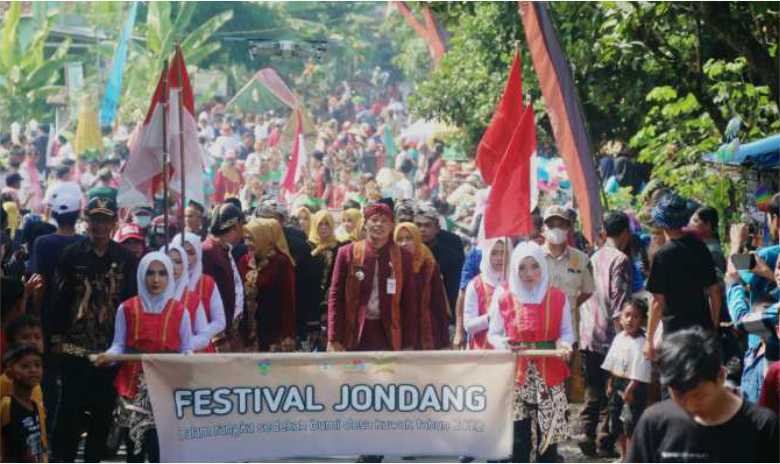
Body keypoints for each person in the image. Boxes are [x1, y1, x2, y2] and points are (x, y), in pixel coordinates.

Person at [50, 196, 137, 462]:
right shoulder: (71, 255)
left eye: (104, 220)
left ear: (113, 223)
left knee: (102, 413)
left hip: (111, 350)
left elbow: (131, 302)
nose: (98, 226)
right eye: (94, 219)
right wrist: (55, 338)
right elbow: (59, 299)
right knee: (70, 412)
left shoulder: (124, 258)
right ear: (86, 222)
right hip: (75, 348)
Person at [96, 252, 193, 462]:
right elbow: (119, 345)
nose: (156, 279)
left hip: (166, 387)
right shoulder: (127, 308)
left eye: (161, 273)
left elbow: (187, 350)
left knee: (160, 449)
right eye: (150, 273)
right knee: (134, 450)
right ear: (141, 275)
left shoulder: (180, 311)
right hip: (133, 389)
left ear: (169, 277)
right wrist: (108, 357)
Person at [628, 327, 779, 462]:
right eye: (679, 396)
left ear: (721, 376)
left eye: (698, 396)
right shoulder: (655, 422)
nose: (689, 405)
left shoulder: (762, 426)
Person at [487, 241, 574, 462]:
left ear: (543, 267)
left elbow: (566, 332)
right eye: (522, 267)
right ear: (514, 268)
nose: (528, 273)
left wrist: (565, 345)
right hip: (517, 375)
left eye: (534, 266)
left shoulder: (557, 296)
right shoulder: (503, 295)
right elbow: (493, 334)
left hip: (550, 373)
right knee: (518, 438)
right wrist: (504, 343)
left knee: (549, 439)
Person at [578, 211, 633, 457]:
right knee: (613, 391)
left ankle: (586, 432)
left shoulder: (593, 256)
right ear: (625, 233)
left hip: (588, 333)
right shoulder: (620, 259)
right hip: (609, 336)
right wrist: (625, 339)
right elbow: (618, 302)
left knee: (593, 388)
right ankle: (603, 439)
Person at [327, 202, 418, 352]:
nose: (379, 225)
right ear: (365, 224)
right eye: (374, 220)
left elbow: (409, 302)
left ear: (391, 226)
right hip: (354, 332)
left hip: (388, 334)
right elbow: (335, 296)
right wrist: (334, 337)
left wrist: (408, 342)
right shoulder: (347, 253)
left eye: (384, 221)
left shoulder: (403, 257)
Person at [645, 194, 721, 361]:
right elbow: (714, 292)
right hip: (702, 331)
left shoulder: (662, 255)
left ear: (661, 222)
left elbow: (657, 302)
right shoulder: (700, 247)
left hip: (675, 335)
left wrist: (649, 340)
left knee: (677, 383)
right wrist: (713, 326)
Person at [541, 205, 594, 402]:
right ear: (543, 229)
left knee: (562, 384)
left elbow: (588, 291)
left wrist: (569, 306)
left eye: (561, 224)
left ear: (569, 228)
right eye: (551, 224)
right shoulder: (534, 258)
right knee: (540, 383)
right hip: (539, 332)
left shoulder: (581, 259)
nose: (556, 228)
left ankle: (558, 428)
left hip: (567, 332)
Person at [600, 298, 652, 460]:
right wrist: (610, 384)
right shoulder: (619, 338)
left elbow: (641, 370)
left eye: (635, 317)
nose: (630, 320)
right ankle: (624, 456)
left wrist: (630, 389)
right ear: (620, 318)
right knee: (617, 424)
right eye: (627, 315)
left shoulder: (643, 342)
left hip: (634, 386)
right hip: (617, 383)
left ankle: (632, 458)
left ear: (643, 320)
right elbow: (611, 362)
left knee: (631, 424)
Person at [243, 218, 297, 351]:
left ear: (264, 237)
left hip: (273, 334)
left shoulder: (281, 262)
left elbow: (288, 300)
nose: (248, 243)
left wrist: (287, 334)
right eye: (246, 239)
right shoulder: (245, 260)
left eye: (252, 239)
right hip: (248, 334)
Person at [394, 222, 450, 349]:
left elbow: (439, 304)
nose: (404, 243)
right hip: (399, 330)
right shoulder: (390, 266)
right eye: (399, 239)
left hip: (426, 330)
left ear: (417, 240)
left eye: (409, 238)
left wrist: (444, 340)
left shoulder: (429, 265)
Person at [172, 232, 226, 353]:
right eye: (181, 252)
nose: (185, 257)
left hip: (200, 349)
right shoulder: (163, 282)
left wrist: (198, 337)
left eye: (191, 253)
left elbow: (220, 321)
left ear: (198, 254)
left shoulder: (207, 283)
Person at [202, 203, 245, 351]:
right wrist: (218, 336)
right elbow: (206, 296)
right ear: (236, 226)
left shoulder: (222, 250)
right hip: (215, 337)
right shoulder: (209, 252)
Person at [415, 203, 465, 320]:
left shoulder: (450, 253)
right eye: (418, 225)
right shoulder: (408, 249)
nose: (422, 230)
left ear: (437, 228)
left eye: (427, 225)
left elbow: (455, 287)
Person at [1, 345, 47, 463]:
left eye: (37, 365)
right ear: (9, 371)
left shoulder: (36, 405)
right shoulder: (7, 406)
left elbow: (40, 444)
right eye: (24, 366)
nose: (33, 370)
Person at [463, 238, 510, 350]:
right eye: (494, 253)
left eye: (503, 253)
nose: (500, 258)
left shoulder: (516, 283)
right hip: (483, 351)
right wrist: (490, 318)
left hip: (510, 351)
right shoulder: (476, 284)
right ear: (487, 254)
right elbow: (468, 326)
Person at [308, 211, 343, 350]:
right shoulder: (308, 248)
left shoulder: (339, 248)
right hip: (311, 303)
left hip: (331, 303)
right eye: (320, 224)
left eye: (327, 224)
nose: (323, 227)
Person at [1, 316, 44, 403]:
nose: (33, 342)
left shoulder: (36, 379)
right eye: (25, 337)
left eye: (37, 337)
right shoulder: (5, 382)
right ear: (11, 343)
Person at [689, 206, 726, 274]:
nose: (690, 224)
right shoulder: (700, 244)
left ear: (708, 225)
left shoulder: (713, 252)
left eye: (695, 221)